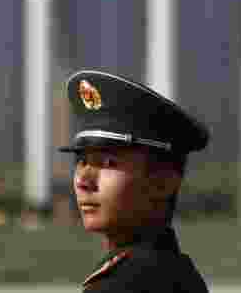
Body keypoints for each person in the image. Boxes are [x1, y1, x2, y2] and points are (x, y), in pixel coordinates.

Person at [59, 69, 211, 293]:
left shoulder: (130, 283)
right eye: (82, 161)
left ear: (164, 182)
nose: (84, 181)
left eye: (108, 163)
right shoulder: (169, 271)